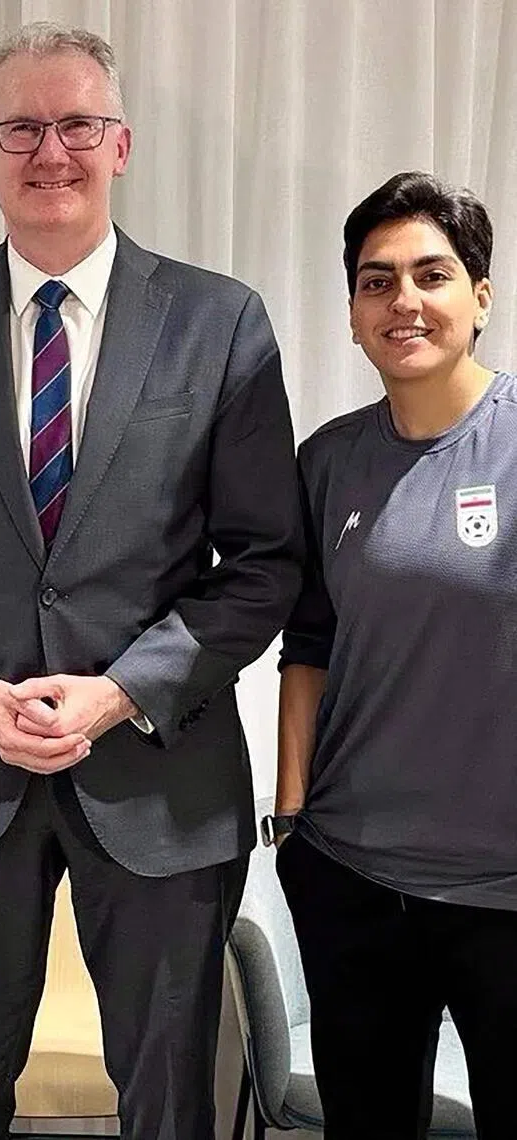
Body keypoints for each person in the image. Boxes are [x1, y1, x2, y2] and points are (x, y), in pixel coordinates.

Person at [0, 21, 302, 1140]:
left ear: (122, 143)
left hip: (160, 778)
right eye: (22, 128)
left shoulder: (220, 321)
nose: (52, 151)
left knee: (166, 1103)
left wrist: (121, 690)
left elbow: (263, 562)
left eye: (77, 126)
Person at [272, 171, 517, 1139]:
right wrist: (290, 820)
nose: (404, 302)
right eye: (378, 282)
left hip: (503, 895)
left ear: (481, 296)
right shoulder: (328, 460)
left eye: (432, 274)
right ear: (352, 311)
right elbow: (310, 643)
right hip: (354, 883)